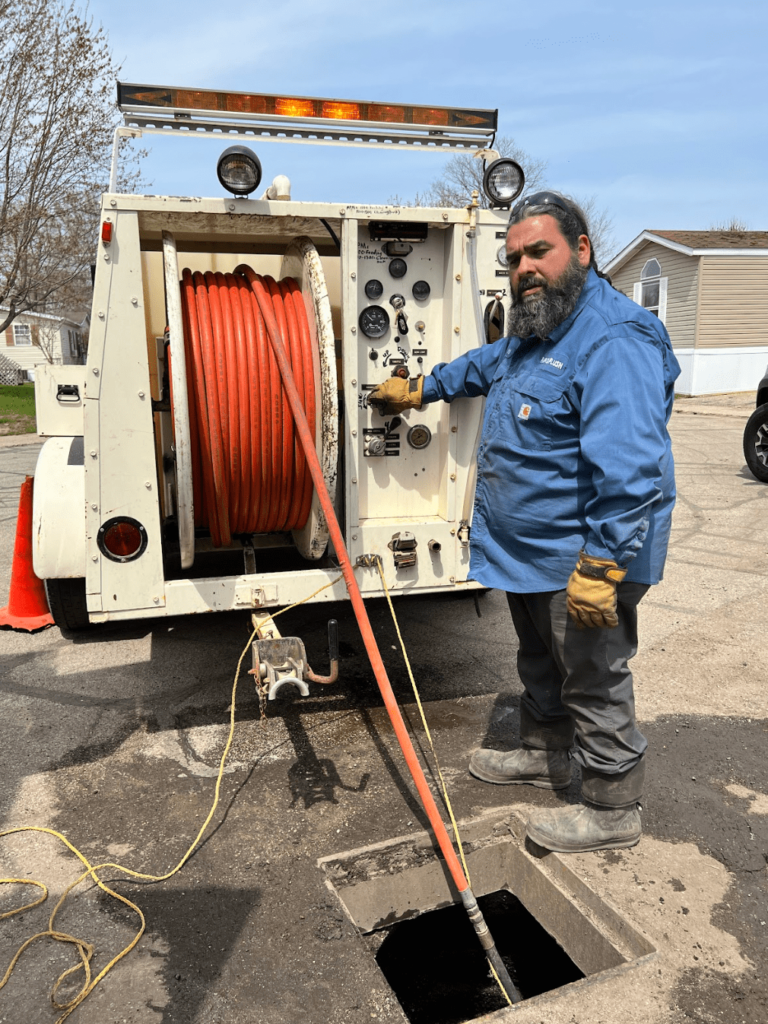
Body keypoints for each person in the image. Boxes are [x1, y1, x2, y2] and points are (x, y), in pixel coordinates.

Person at [369, 191, 680, 854]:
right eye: (513, 258)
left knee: (592, 675)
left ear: (583, 251)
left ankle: (611, 805)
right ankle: (547, 755)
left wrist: (602, 568)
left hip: (587, 555)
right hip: (532, 551)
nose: (524, 269)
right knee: (541, 660)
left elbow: (629, 472)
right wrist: (424, 387)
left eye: (539, 251)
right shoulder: (538, 328)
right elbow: (491, 366)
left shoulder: (615, 338)